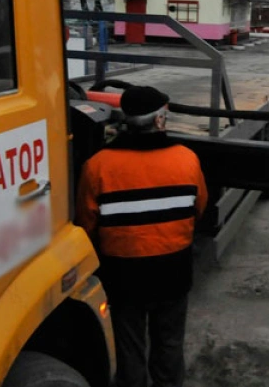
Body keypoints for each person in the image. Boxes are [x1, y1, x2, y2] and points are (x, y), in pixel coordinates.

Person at [76, 86, 208, 387]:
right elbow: (198, 209)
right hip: (173, 272)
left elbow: (86, 225)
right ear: (160, 121)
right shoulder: (187, 159)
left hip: (123, 275)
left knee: (128, 346)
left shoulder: (97, 166)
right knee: (170, 343)